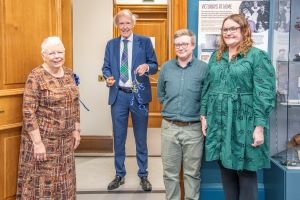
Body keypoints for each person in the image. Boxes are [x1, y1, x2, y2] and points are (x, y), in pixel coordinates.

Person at [200, 14, 276, 200]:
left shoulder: (257, 56)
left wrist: (259, 127)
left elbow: (264, 93)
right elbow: (208, 87)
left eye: (233, 28)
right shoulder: (216, 57)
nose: (228, 33)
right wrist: (204, 115)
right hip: (218, 120)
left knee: (245, 169)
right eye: (225, 29)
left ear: (244, 30)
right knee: (225, 168)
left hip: (245, 121)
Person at [16, 36, 81, 199]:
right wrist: (37, 143)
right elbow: (28, 112)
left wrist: (76, 130)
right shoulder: (36, 76)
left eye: (60, 52)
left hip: (65, 143)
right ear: (43, 55)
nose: (57, 56)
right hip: (44, 142)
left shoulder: (68, 73)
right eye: (52, 53)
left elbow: (75, 103)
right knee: (42, 186)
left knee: (65, 184)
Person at [102, 9, 158, 191]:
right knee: (119, 138)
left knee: (141, 137)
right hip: (118, 96)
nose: (125, 26)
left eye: (127, 23)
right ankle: (120, 174)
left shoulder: (145, 41)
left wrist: (147, 67)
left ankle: (143, 175)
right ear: (117, 26)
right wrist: (108, 77)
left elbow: (155, 65)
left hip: (138, 94)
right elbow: (106, 67)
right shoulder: (111, 44)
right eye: (121, 23)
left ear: (133, 24)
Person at [157, 29, 208, 200]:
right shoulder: (166, 67)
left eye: (185, 44)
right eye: (178, 44)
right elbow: (160, 94)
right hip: (169, 128)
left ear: (192, 45)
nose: (181, 47)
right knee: (170, 173)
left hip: (193, 129)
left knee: (192, 173)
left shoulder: (203, 69)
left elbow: (207, 96)